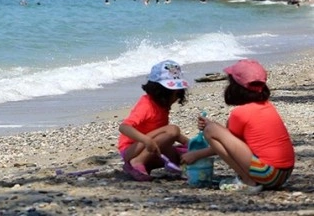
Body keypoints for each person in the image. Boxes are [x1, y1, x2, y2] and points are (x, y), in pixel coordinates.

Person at [180, 59, 295, 193]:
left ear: (235, 87)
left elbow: (229, 146)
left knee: (210, 130)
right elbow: (232, 140)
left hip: (268, 174)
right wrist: (213, 125)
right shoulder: (267, 106)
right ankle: (250, 179)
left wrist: (196, 154)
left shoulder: (240, 113)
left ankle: (248, 182)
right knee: (212, 128)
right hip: (283, 174)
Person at [118, 60, 190, 181]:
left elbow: (164, 134)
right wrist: (145, 140)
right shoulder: (146, 105)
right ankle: (137, 162)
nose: (175, 98)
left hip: (152, 148)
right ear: (159, 91)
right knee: (172, 130)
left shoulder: (162, 105)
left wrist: (191, 144)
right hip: (132, 149)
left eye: (178, 94)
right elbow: (124, 127)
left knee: (187, 155)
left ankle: (145, 164)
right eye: (172, 94)